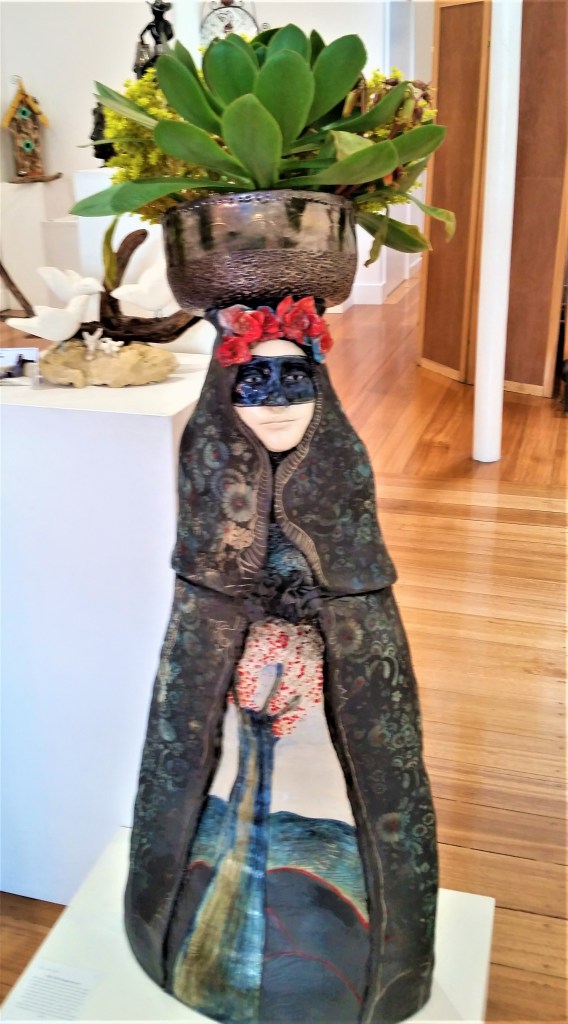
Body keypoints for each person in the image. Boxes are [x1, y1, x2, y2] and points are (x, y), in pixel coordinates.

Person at [125, 297, 438, 1024]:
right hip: (240, 701)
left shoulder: (341, 489)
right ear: (224, 390)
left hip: (316, 710)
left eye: (294, 380)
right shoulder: (209, 505)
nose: (276, 402)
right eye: (253, 381)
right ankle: (187, 939)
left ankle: (356, 968)